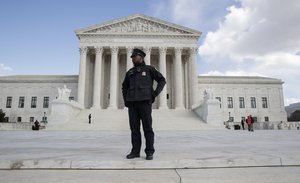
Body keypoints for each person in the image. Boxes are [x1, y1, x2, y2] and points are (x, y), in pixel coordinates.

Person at [122, 48, 166, 160]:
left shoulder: (150, 69)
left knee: (147, 128)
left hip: (145, 103)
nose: (132, 59)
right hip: (132, 104)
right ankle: (135, 151)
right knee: (134, 129)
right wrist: (126, 100)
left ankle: (149, 152)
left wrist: (155, 93)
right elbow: (124, 87)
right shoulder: (130, 72)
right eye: (132, 57)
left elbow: (162, 80)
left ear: (141, 57)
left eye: (134, 56)